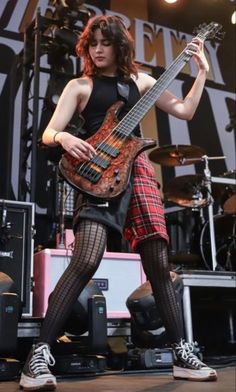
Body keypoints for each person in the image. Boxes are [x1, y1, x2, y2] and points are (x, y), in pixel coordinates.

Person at [19, 15, 217, 391]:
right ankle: (39, 354)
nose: (97, 49)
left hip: (137, 170)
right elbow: (47, 132)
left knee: (158, 262)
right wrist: (63, 138)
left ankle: (181, 353)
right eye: (92, 42)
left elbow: (185, 112)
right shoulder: (80, 86)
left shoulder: (140, 82)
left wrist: (202, 72)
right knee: (86, 259)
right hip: (96, 171)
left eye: (105, 42)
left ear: (119, 46)